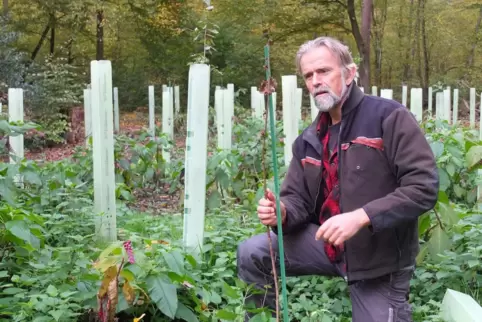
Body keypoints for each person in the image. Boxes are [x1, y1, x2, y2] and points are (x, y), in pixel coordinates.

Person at [236, 36, 439, 322]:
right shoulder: (309, 139)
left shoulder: (388, 117)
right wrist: (281, 212)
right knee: (254, 252)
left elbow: (423, 187)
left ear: (349, 73)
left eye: (324, 71)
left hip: (378, 258)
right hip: (327, 245)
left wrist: (360, 217)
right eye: (308, 75)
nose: (316, 80)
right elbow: (297, 199)